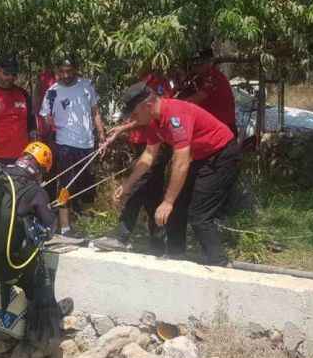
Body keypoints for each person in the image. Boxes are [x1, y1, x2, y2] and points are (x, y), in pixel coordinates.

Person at [114, 81, 241, 266]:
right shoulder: (152, 121)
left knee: (200, 216)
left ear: (148, 106)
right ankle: (175, 257)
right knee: (175, 209)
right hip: (200, 157)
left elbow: (181, 162)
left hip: (222, 155)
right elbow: (148, 156)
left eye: (134, 114)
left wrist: (167, 201)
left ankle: (220, 264)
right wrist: (127, 184)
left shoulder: (174, 115)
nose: (133, 119)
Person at [0, 142, 60, 343]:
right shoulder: (35, 191)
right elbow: (50, 230)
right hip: (11, 268)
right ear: (39, 169)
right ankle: (38, 330)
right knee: (39, 273)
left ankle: (4, 316)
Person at [94, 72, 174, 253]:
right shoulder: (138, 84)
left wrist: (123, 128)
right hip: (142, 145)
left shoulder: (155, 85)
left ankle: (122, 236)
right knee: (151, 195)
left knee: (137, 188)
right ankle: (159, 241)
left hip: (155, 147)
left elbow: (152, 115)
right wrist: (121, 129)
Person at [39, 55, 106, 236]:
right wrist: (50, 122)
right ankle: (65, 227)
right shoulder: (52, 92)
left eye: (69, 71)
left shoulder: (87, 86)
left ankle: (86, 226)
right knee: (66, 185)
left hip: (87, 144)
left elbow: (95, 111)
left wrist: (101, 135)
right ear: (57, 72)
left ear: (75, 69)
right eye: (62, 71)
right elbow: (45, 117)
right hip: (65, 145)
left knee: (87, 186)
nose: (66, 75)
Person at [178, 48, 237, 134]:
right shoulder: (199, 78)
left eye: (199, 63)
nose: (196, 66)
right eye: (194, 63)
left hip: (223, 128)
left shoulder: (213, 77)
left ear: (209, 62)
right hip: (212, 127)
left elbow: (194, 100)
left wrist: (172, 106)